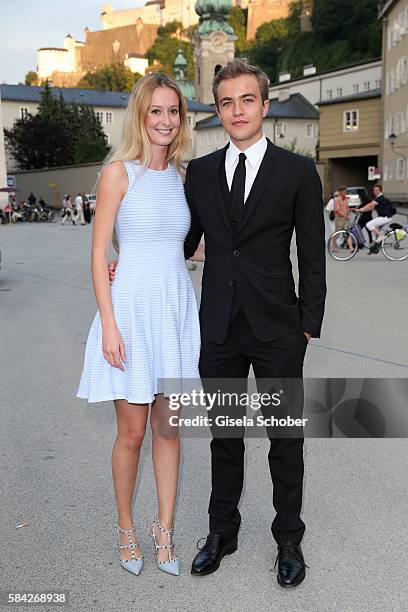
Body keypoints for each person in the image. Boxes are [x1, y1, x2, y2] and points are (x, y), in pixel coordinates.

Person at [110, 60, 326, 587]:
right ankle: (221, 532)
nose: (236, 111)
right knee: (225, 437)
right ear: (218, 109)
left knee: (284, 439)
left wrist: (306, 327)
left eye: (246, 100)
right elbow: (179, 244)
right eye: (226, 102)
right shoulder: (201, 174)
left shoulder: (297, 172)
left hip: (278, 331)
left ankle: (289, 540)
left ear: (264, 106)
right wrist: (131, 261)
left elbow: (313, 256)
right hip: (220, 332)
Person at [76, 73, 201, 578]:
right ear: (141, 115)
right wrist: (109, 325)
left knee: (169, 430)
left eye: (174, 111)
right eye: (156, 111)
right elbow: (97, 252)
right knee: (131, 433)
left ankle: (164, 530)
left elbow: (185, 248)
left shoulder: (183, 177)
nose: (166, 120)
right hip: (129, 313)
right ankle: (127, 529)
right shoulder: (117, 174)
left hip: (173, 313)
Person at [332, 186, 353, 252]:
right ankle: (334, 247)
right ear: (340, 192)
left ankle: (351, 248)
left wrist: (352, 210)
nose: (345, 193)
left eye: (345, 191)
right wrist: (345, 216)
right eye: (344, 191)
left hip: (346, 219)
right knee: (337, 233)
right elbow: (337, 210)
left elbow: (347, 208)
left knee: (347, 232)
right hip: (340, 219)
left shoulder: (346, 199)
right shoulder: (337, 200)